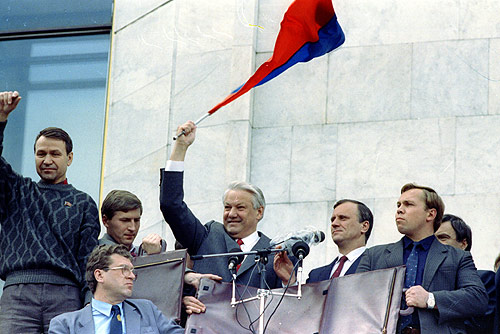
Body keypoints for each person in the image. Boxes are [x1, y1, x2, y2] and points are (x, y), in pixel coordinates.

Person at [0, 91, 101, 333]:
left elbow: (88, 258)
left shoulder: (84, 202)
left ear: (70, 158)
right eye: (41, 153)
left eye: (55, 154)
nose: (47, 159)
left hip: (66, 296)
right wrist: (1, 118)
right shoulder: (16, 190)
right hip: (18, 295)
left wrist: (90, 303)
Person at [160, 121, 293, 289]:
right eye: (227, 207)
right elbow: (171, 205)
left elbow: (289, 304)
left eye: (240, 208)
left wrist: (289, 282)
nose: (231, 214)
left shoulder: (275, 254)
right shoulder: (206, 236)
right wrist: (180, 147)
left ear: (259, 212)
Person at [357, 183, 488, 334]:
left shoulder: (458, 257)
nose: (399, 209)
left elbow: (477, 298)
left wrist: (430, 299)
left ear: (430, 214)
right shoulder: (373, 255)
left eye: (409, 204)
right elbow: (354, 300)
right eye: (398, 205)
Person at [48, 244, 184, 334]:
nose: (131, 276)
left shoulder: (147, 310)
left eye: (132, 271)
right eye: (124, 270)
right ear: (100, 275)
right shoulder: (65, 325)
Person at [273, 199, 373, 284]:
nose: (334, 224)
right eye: (333, 219)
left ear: (364, 226)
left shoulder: (376, 267)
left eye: (342, 218)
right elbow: (307, 306)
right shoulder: (316, 276)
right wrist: (290, 282)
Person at [434, 214, 496, 334]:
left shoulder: (485, 279)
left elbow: (478, 325)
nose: (435, 245)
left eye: (442, 238)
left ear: (463, 244)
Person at [99, 189, 166, 256]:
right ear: (105, 221)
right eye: (125, 220)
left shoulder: (143, 252)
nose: (132, 228)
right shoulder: (93, 253)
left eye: (136, 220)